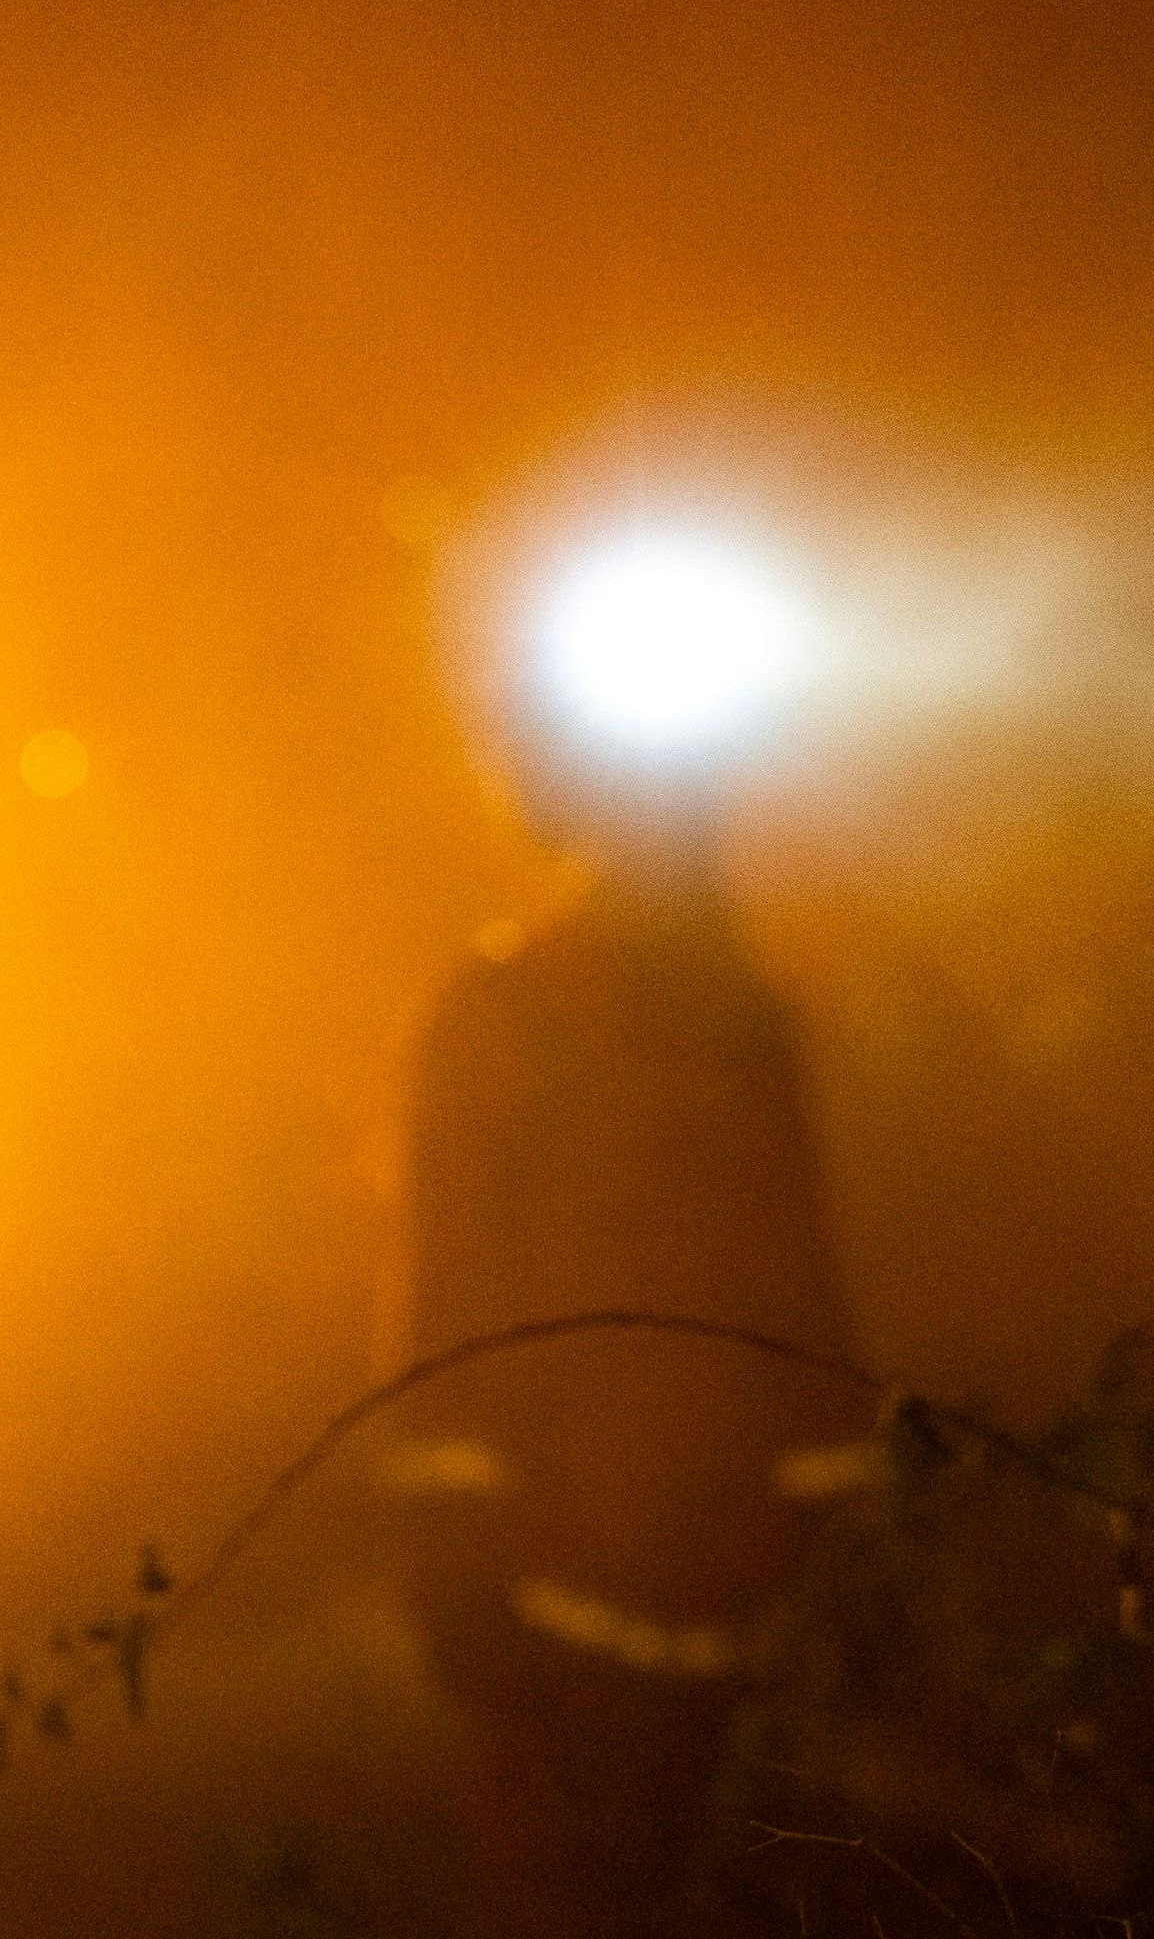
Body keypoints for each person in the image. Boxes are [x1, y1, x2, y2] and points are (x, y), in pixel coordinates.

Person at [384, 772, 864, 1935]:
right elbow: (454, 1287)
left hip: (723, 1581)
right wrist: (455, 1550)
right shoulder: (508, 1015)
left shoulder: (745, 1025)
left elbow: (796, 1273)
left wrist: (835, 1529)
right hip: (566, 1590)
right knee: (580, 1887)